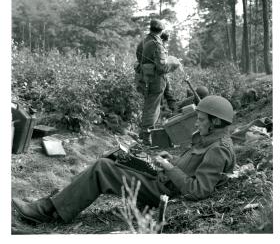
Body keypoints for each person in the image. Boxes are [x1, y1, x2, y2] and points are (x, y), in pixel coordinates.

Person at [12, 95, 236, 224]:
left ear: (215, 122)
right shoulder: (209, 138)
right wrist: (173, 161)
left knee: (103, 168)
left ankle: (48, 211)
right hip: (163, 180)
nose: (196, 124)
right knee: (116, 157)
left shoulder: (218, 149)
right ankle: (57, 202)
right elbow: (191, 167)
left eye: (201, 119)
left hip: (165, 191)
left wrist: (168, 167)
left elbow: (197, 191)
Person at [135, 19, 180, 145]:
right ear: (161, 30)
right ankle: (146, 138)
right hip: (155, 79)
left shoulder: (144, 41)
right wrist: (173, 64)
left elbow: (141, 58)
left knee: (151, 106)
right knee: (152, 108)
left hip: (147, 78)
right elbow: (161, 67)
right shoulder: (156, 44)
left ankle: (146, 134)